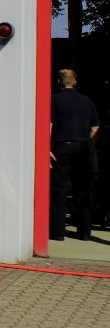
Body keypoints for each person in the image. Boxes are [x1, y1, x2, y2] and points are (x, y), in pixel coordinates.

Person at [50, 68, 100, 241]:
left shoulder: (55, 100)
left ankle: (57, 232)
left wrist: (46, 148)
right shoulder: (87, 101)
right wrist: (91, 148)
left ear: (59, 82)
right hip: (82, 148)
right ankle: (84, 231)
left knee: (59, 189)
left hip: (61, 148)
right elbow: (95, 127)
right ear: (75, 82)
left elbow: (49, 124)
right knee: (82, 190)